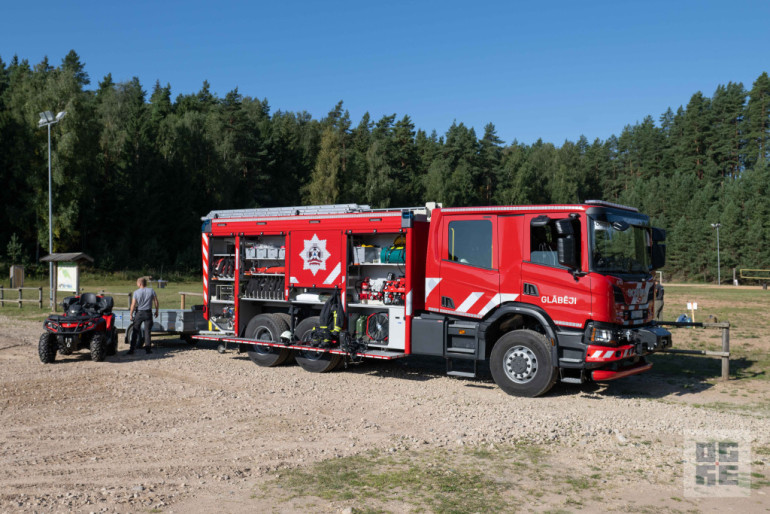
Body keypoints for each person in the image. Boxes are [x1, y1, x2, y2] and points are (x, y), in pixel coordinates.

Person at [128, 277, 159, 354]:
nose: (137, 284)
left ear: (140, 284)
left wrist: (131, 314)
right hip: (148, 313)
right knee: (147, 331)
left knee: (135, 331)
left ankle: (132, 349)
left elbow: (133, 304)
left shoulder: (136, 292)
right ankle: (148, 349)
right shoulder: (151, 291)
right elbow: (156, 301)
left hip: (139, 313)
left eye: (137, 283)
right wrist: (157, 311)